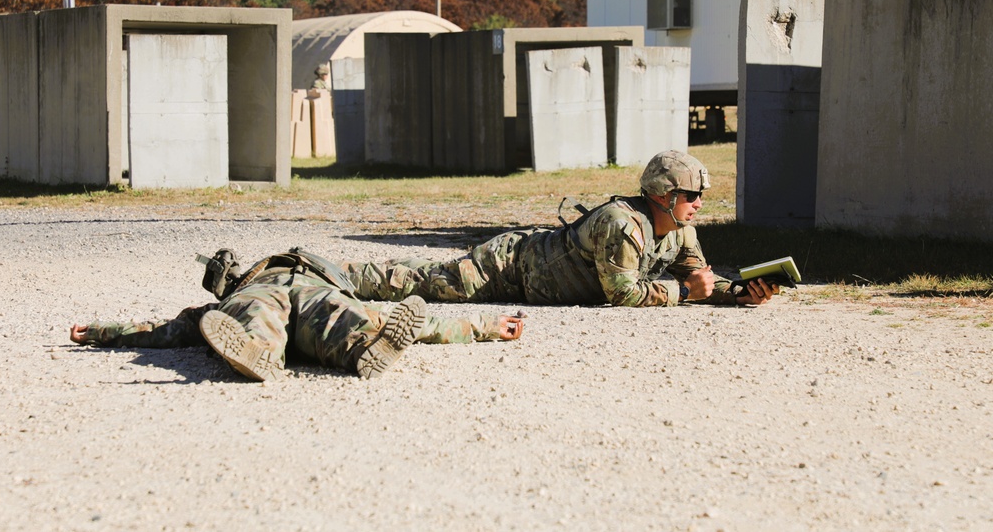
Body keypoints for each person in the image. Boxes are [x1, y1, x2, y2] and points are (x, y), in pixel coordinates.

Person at [342, 150, 779, 308]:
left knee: (430, 278)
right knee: (424, 283)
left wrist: (737, 291)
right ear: (664, 194)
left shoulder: (682, 229)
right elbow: (622, 293)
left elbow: (698, 278)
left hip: (530, 284)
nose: (698, 204)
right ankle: (341, 273)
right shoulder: (622, 224)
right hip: (509, 268)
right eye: (690, 196)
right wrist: (685, 293)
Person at [70, 248, 523, 382]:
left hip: (314, 293)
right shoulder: (238, 294)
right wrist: (99, 332)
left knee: (346, 313)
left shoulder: (318, 274)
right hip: (277, 296)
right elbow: (161, 330)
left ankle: (368, 347)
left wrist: (486, 326)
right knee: (273, 316)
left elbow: (161, 332)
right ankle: (259, 354)